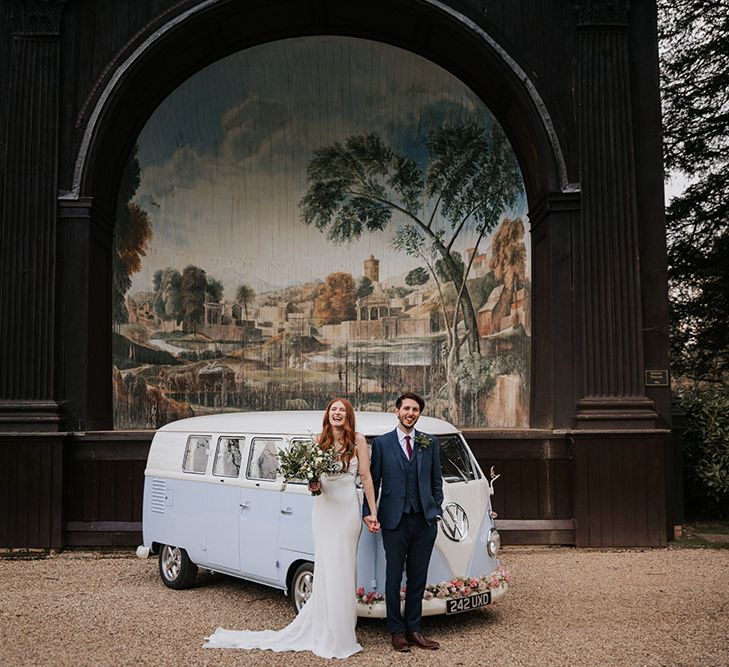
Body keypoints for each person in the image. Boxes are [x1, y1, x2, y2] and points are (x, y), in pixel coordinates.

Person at [203, 398, 379, 660]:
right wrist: (313, 486)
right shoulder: (319, 441)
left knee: (345, 567)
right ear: (328, 415)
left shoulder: (359, 441)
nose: (338, 414)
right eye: (334, 410)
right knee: (327, 567)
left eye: (342, 410)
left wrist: (372, 512)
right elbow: (313, 483)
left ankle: (343, 631)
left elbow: (365, 476)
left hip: (348, 510)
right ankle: (328, 630)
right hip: (325, 509)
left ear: (349, 415)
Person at [362, 392, 443, 652]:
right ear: (397, 411)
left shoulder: (429, 443)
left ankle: (415, 629)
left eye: (415, 409)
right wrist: (369, 512)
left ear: (419, 414)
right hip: (394, 519)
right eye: (406, 408)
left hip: (424, 521)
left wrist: (436, 510)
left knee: (418, 577)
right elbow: (372, 481)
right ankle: (396, 632)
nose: (410, 413)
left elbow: (436, 482)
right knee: (394, 576)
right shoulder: (383, 444)